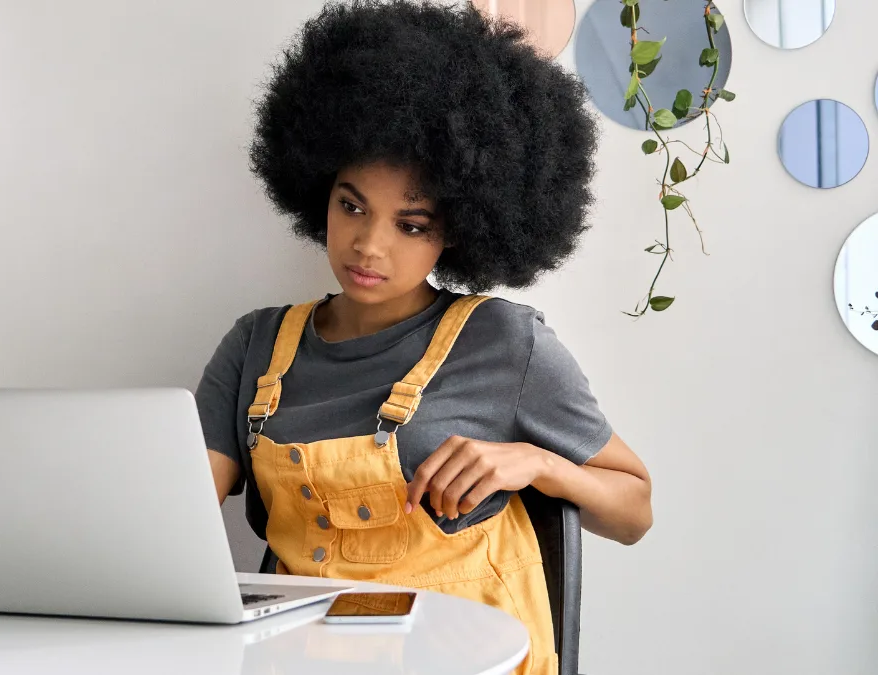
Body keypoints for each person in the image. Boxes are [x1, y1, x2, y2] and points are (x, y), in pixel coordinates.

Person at [195, 2, 652, 673]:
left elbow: (634, 510)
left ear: (459, 228)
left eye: (410, 224)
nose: (368, 245)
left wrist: (538, 462)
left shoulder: (502, 343)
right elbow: (172, 519)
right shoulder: (256, 345)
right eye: (351, 205)